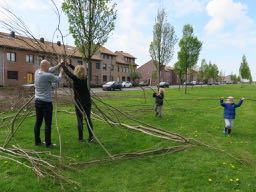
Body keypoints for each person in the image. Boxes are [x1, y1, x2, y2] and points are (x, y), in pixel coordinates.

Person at [61, 62, 94, 142]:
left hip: (79, 102)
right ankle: (91, 136)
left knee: (79, 119)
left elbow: (68, 72)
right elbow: (77, 69)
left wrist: (62, 64)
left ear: (76, 72)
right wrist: (69, 65)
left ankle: (80, 138)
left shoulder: (75, 78)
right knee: (88, 118)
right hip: (87, 101)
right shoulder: (84, 77)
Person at [34, 59, 63, 147]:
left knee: (38, 122)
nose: (50, 67)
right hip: (46, 103)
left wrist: (58, 65)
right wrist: (61, 72)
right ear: (46, 67)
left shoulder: (37, 72)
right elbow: (58, 79)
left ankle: (37, 141)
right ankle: (48, 143)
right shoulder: (47, 75)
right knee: (47, 123)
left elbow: (50, 70)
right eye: (48, 66)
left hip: (37, 101)